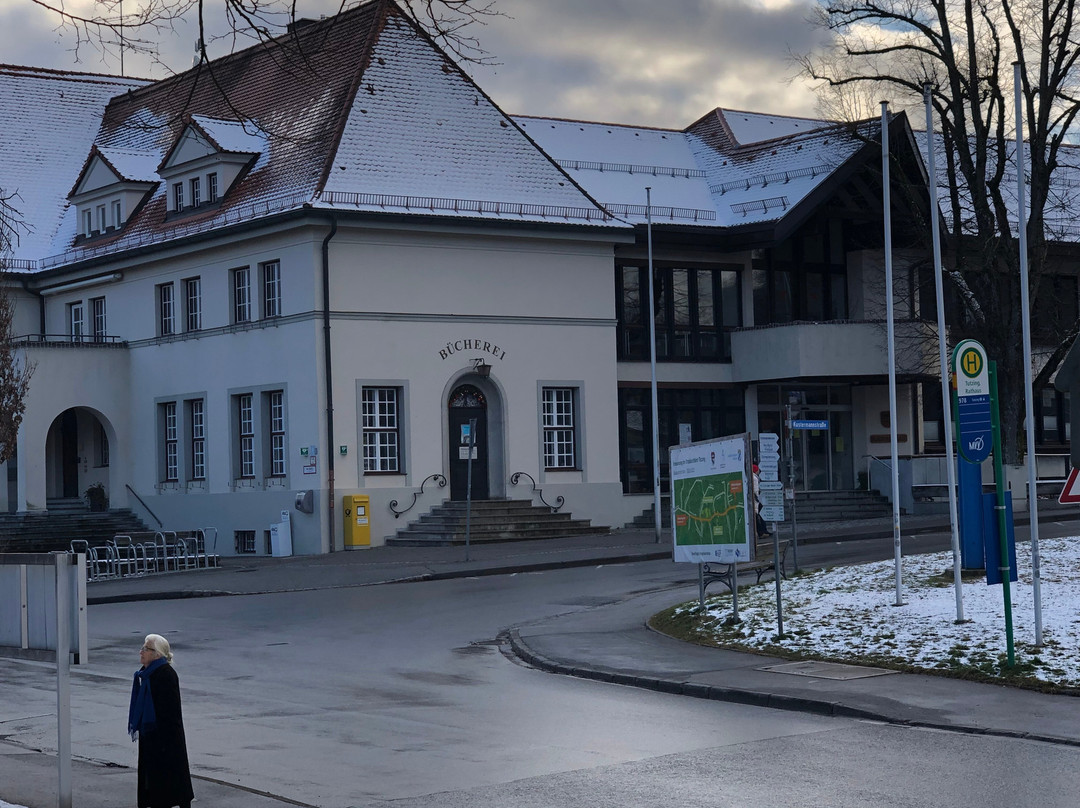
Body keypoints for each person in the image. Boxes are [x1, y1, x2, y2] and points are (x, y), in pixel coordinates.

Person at [128, 634, 194, 808]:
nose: (141, 651)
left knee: (167, 782)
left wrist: (164, 738)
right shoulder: (147, 674)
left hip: (165, 739)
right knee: (153, 780)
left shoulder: (165, 674)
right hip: (150, 736)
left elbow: (170, 712)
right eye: (143, 647)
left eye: (146, 648)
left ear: (157, 654)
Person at [752, 463, 770, 539]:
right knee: (757, 516)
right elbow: (755, 490)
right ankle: (761, 532)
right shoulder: (754, 478)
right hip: (757, 500)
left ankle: (763, 531)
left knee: (759, 516)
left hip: (756, 500)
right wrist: (758, 499)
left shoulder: (753, 477)